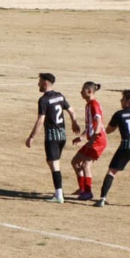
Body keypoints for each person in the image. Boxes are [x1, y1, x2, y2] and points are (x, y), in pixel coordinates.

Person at [26, 73, 81, 203]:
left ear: (45, 83)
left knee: (54, 164)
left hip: (52, 136)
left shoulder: (43, 100)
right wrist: (74, 123)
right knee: (54, 162)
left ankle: (59, 195)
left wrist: (31, 137)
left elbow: (41, 120)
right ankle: (59, 193)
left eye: (39, 82)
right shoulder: (60, 96)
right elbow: (72, 111)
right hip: (62, 135)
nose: (38, 84)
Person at [70, 81, 106, 201]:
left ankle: (88, 192)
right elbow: (90, 125)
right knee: (75, 161)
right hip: (93, 138)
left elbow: (99, 123)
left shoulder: (94, 105)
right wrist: (82, 137)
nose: (81, 92)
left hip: (98, 140)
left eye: (83, 90)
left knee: (86, 164)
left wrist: (93, 138)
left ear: (89, 91)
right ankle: (82, 189)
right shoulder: (88, 105)